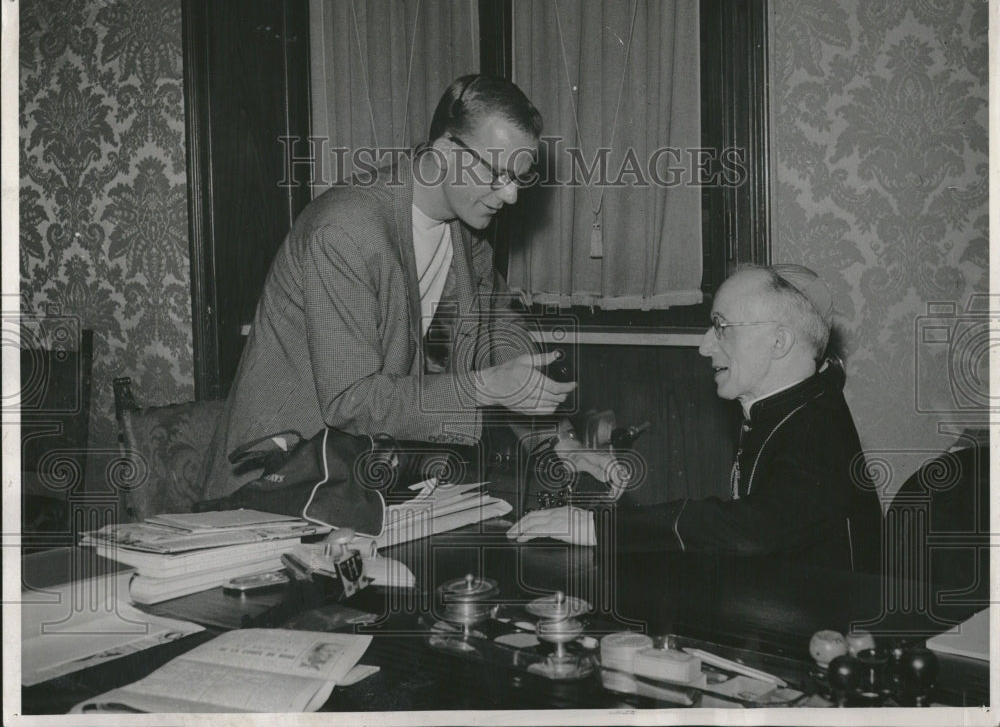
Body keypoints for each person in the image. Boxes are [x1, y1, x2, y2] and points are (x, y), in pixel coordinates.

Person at [201, 74, 578, 500]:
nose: (510, 196)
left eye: (519, 179)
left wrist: (559, 445)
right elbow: (351, 400)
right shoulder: (345, 230)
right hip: (269, 486)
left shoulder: (468, 232)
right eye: (498, 175)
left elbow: (495, 335)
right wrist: (482, 388)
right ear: (444, 153)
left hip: (349, 481)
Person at [507, 264, 884, 574]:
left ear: (779, 342)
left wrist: (596, 527)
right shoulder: (794, 406)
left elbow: (752, 530)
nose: (704, 345)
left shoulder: (816, 428)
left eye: (721, 327)